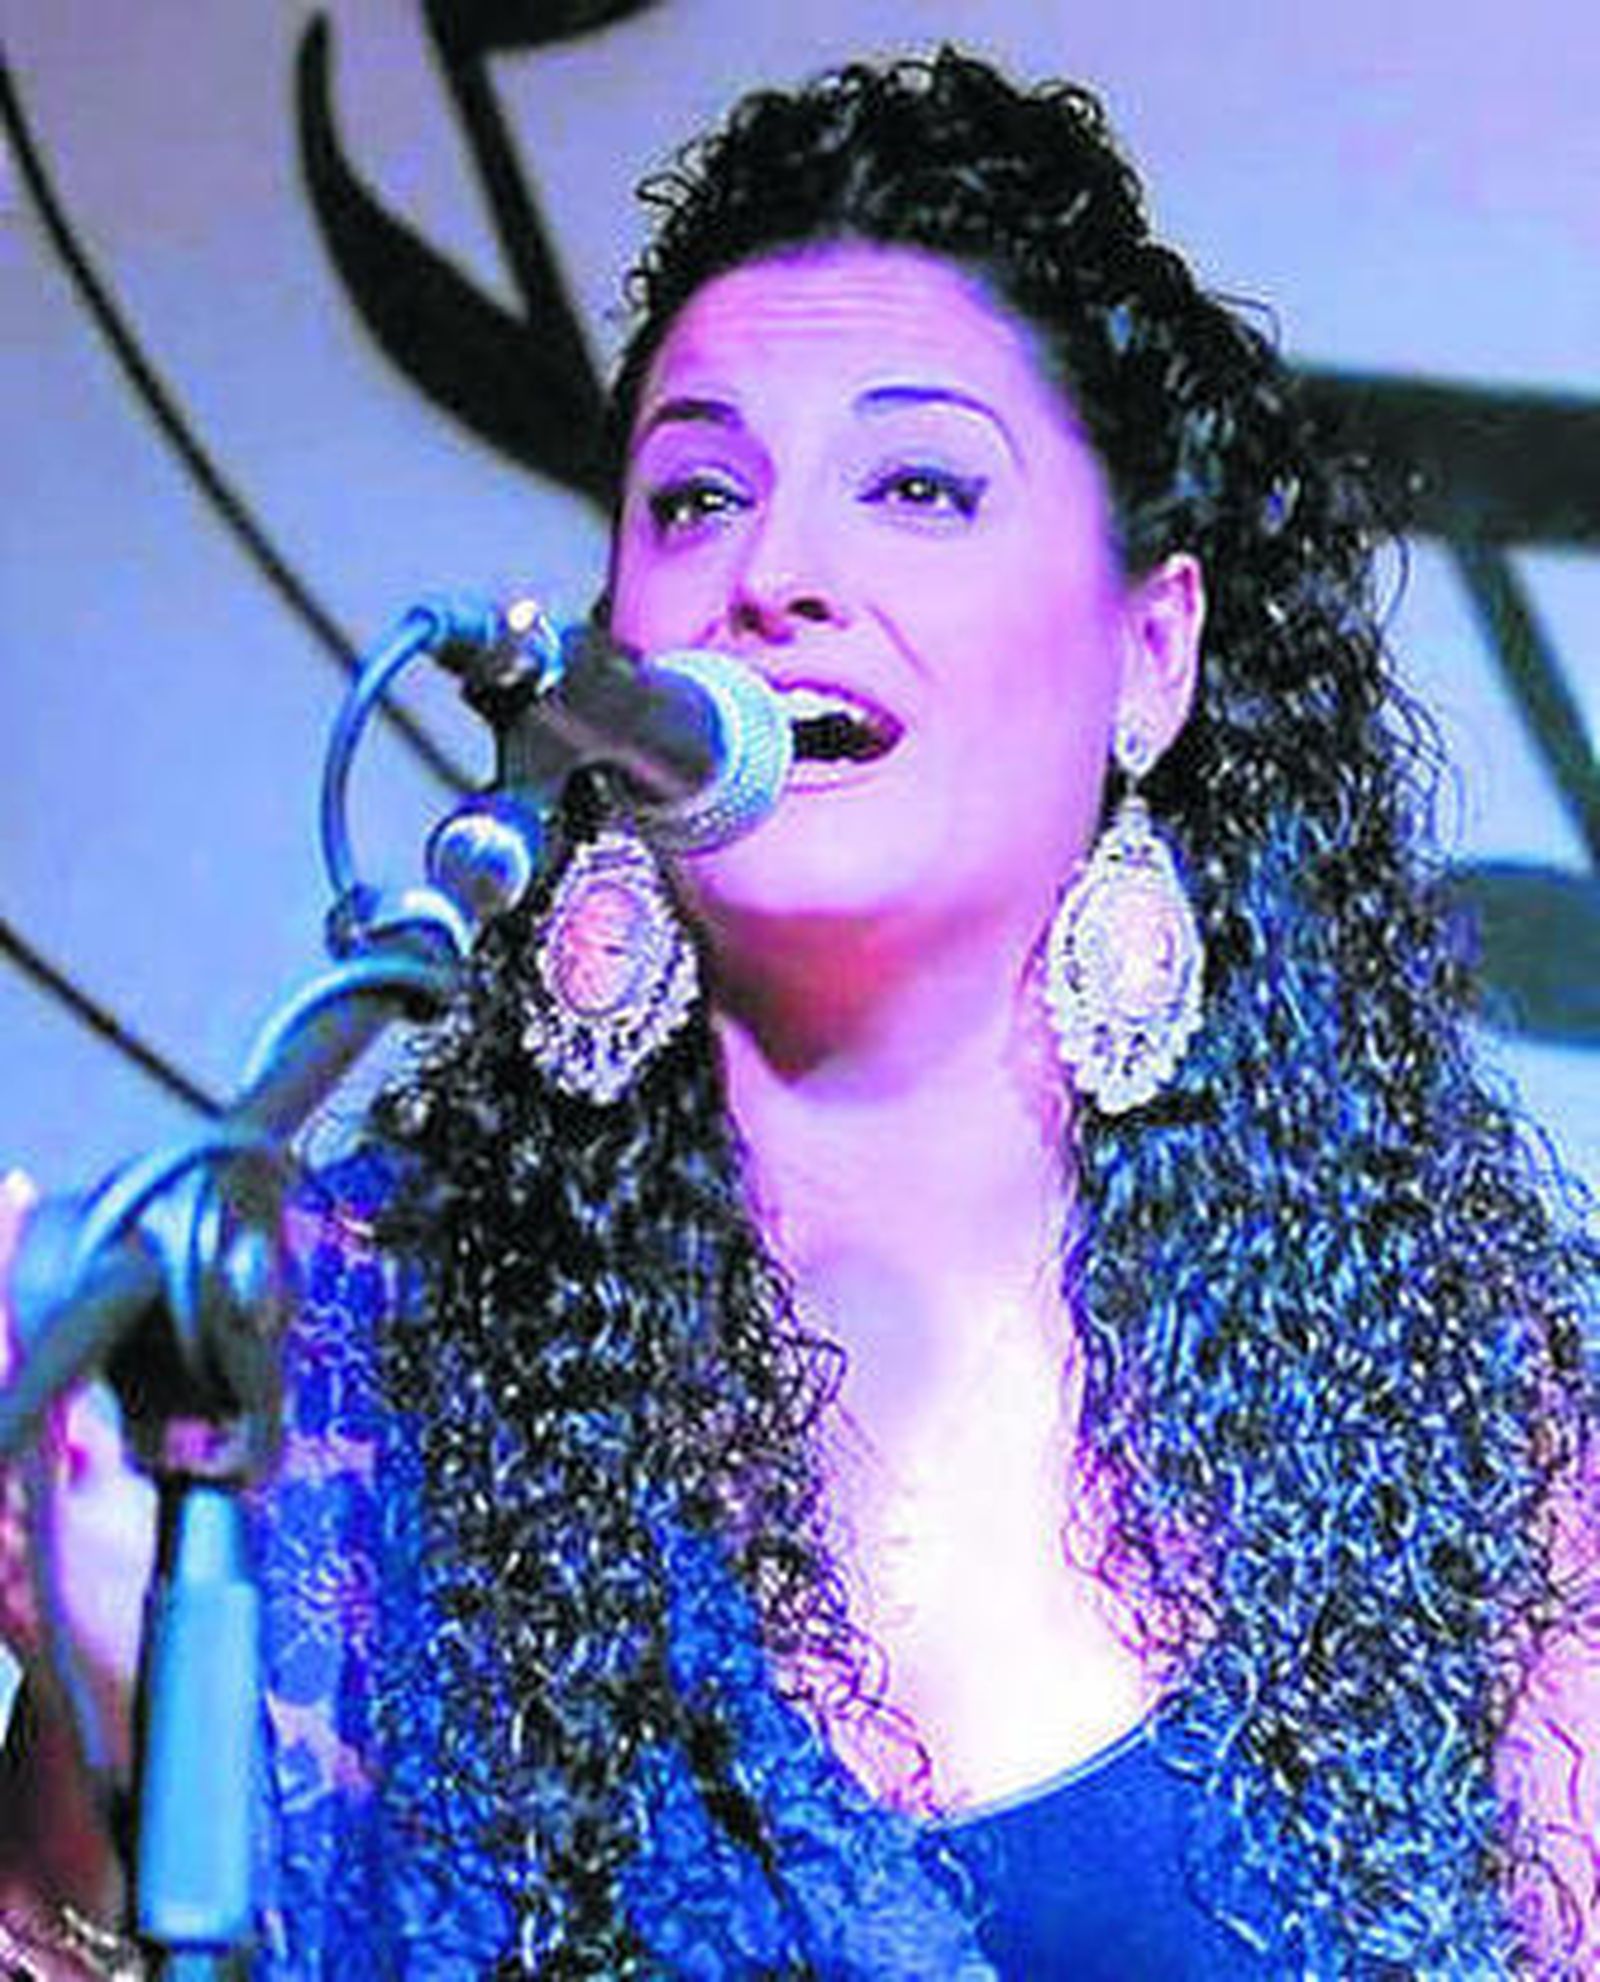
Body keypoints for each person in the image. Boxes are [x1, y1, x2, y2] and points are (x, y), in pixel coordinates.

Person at [2, 46, 1596, 1979]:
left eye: (918, 486)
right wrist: (126, 1728)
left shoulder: (1471, 1412)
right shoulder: (324, 1358)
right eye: (695, 498)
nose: (776, 574)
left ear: (1150, 655)